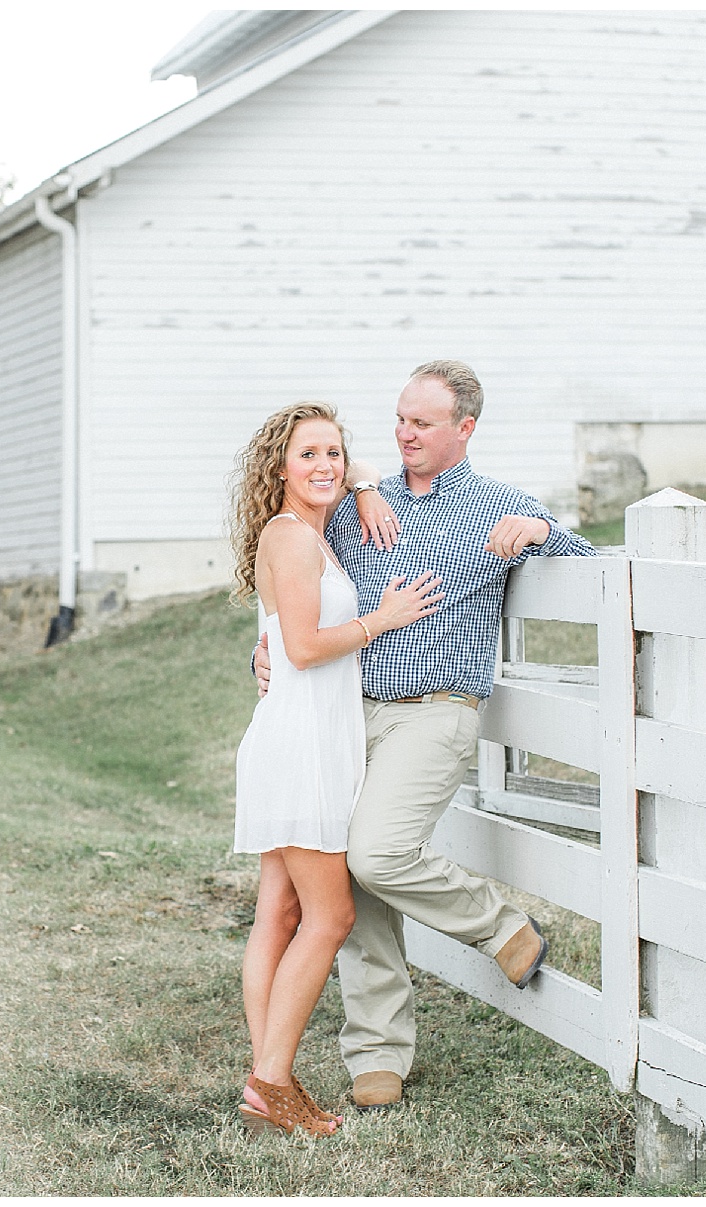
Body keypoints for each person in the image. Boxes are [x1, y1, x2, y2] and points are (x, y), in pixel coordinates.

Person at [253, 360, 597, 1112]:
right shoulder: (355, 505)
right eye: (400, 419)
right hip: (347, 709)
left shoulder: (498, 505)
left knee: (379, 852)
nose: (405, 433)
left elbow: (591, 563)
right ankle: (376, 1052)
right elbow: (303, 586)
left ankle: (498, 924)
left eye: (423, 422)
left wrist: (543, 531)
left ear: (465, 428)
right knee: (351, 878)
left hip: (435, 709)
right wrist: (266, 648)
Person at [227, 401, 443, 1137]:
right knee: (331, 916)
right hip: (302, 749)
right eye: (308, 454)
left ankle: (268, 1082)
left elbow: (284, 639)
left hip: (301, 737)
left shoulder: (305, 530)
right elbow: (304, 647)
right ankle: (271, 1082)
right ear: (279, 467)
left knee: (281, 914)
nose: (324, 466)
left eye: (334, 453)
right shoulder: (290, 538)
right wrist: (384, 617)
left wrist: (366, 482)